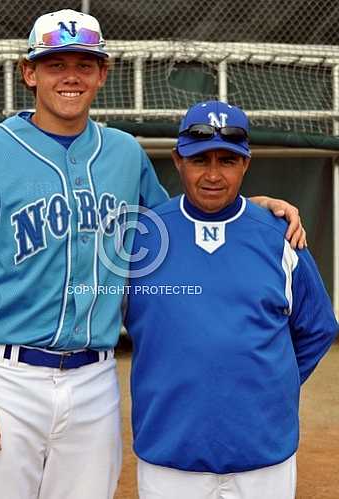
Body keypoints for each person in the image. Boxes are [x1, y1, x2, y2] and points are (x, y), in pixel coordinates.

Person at [0, 8, 305, 499]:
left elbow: (177, 225)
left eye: (84, 64)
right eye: (55, 63)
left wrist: (245, 208)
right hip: (6, 376)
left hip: (95, 381)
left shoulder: (124, 154)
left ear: (102, 73)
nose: (71, 75)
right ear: (29, 72)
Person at [125, 100, 339, 499]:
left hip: (263, 455)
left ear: (245, 164)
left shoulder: (280, 237)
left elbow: (318, 327)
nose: (212, 174)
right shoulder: (142, 238)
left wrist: (270, 384)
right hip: (170, 454)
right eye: (200, 159)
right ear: (177, 160)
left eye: (227, 160)